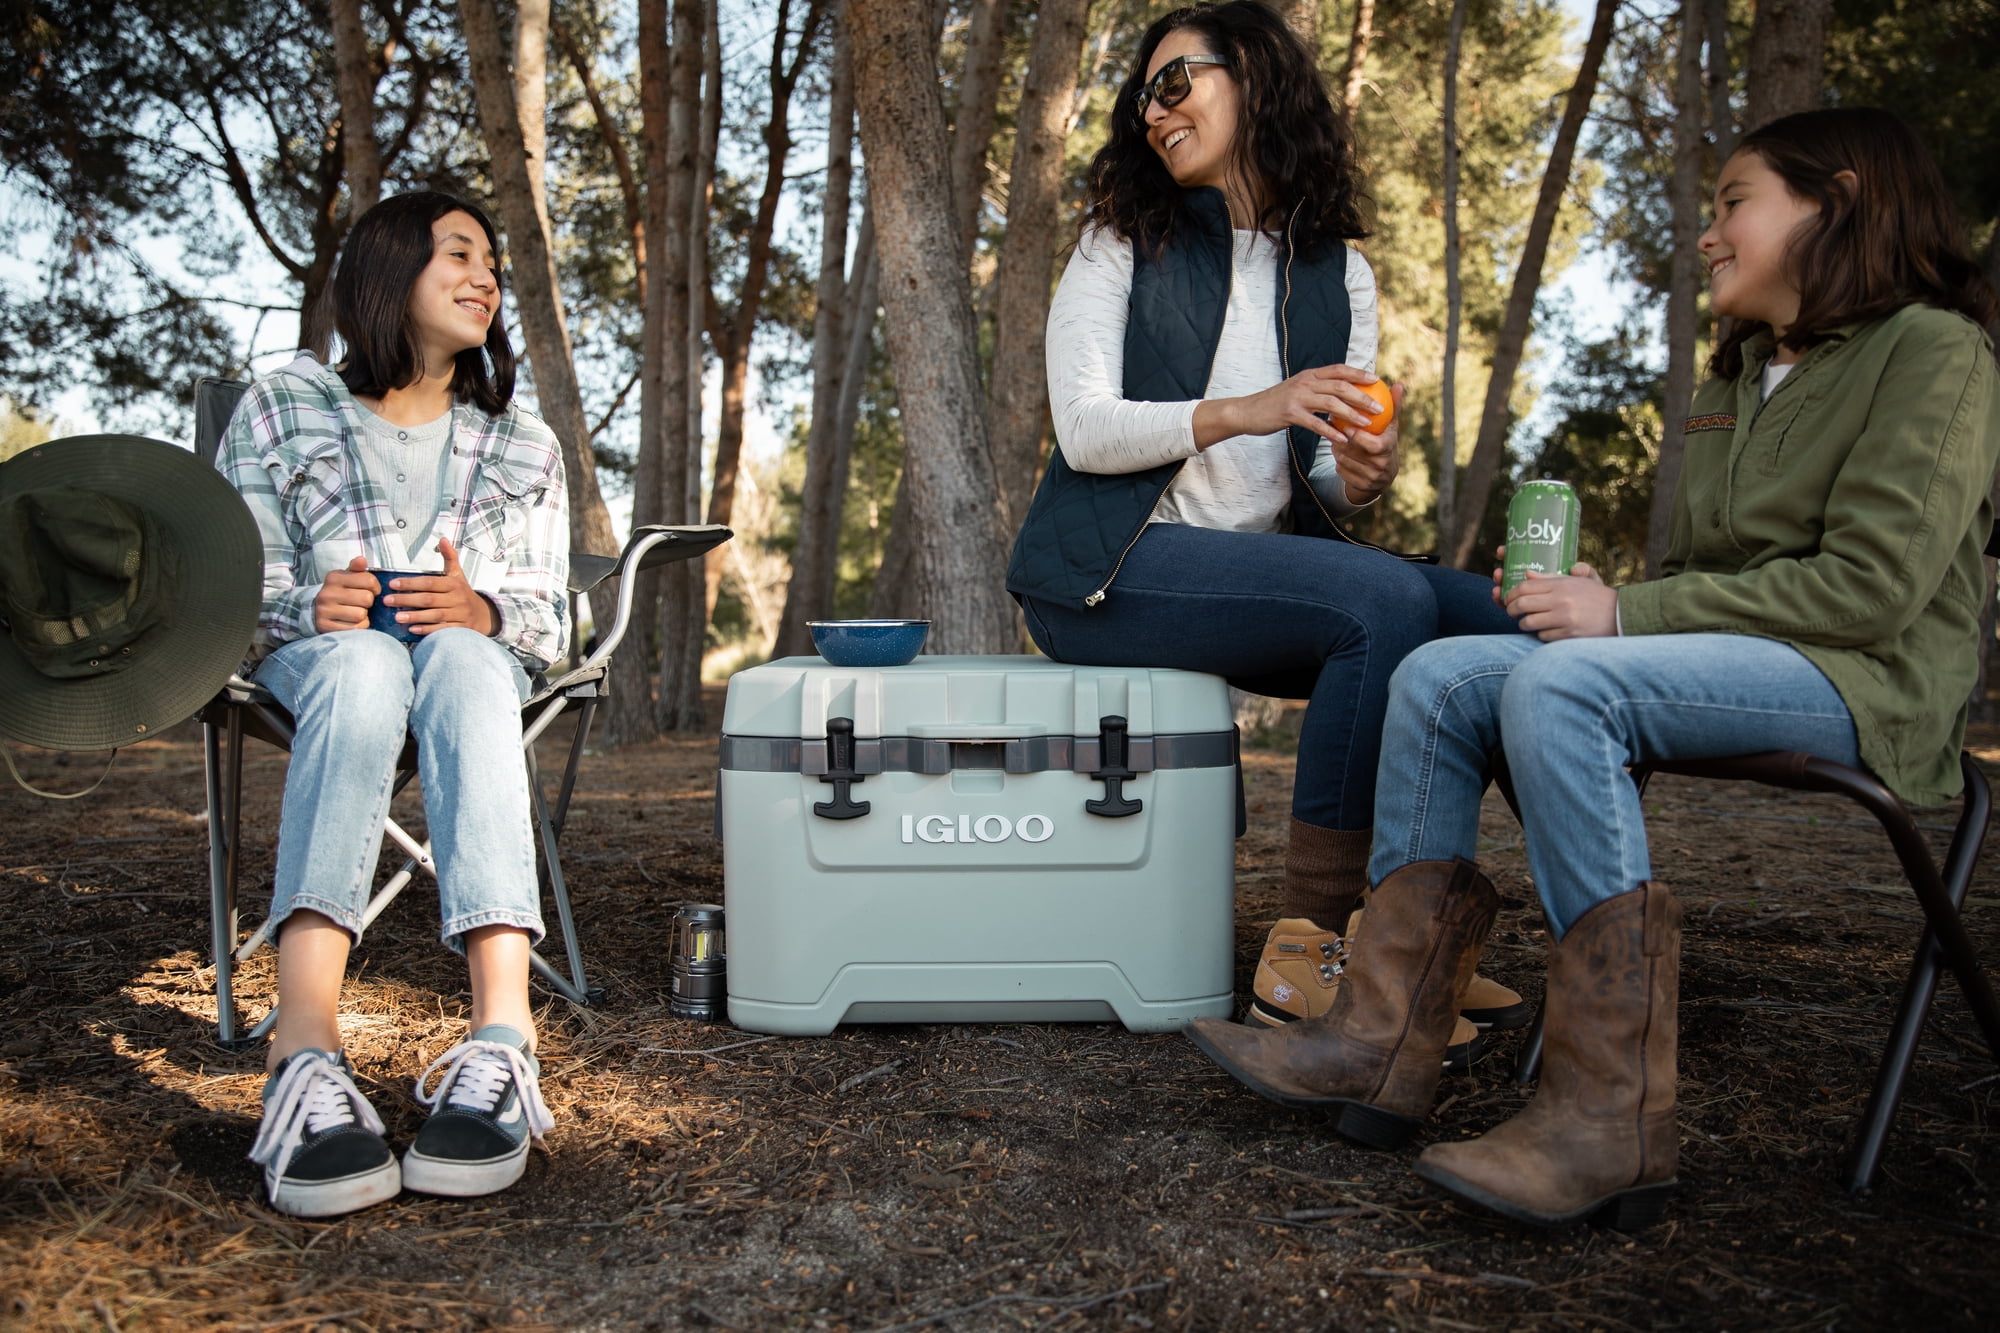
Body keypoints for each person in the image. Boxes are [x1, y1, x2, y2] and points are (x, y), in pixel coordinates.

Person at [1189, 107, 2000, 1228]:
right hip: (1736, 658)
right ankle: (1378, 1039)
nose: (1707, 234)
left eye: (1734, 203)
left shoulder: (1934, 350)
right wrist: (1606, 606)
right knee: (1439, 674)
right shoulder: (1743, 371)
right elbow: (1711, 576)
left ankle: (1607, 1115)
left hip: (1868, 681)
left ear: (1840, 201)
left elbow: (1871, 587)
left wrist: (1623, 616)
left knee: (1559, 682)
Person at [1005, 0, 1525, 1053]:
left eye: (1173, 82)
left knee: (1503, 617)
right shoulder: (1121, 242)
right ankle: (1309, 950)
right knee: (1384, 599)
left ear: (1253, 75)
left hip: (1258, 571)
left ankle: (1407, 926)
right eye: (1141, 97)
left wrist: (1361, 474)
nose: (1154, 112)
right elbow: (1087, 431)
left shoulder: (1338, 272)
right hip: (1106, 572)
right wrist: (1256, 407)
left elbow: (1324, 473)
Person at [216, 191, 570, 1218]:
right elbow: (229, 587)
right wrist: (307, 603)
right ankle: (303, 1051)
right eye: (458, 252)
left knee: (462, 658)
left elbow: (548, 618)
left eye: (492, 262)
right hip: (323, 664)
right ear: (386, 268)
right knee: (367, 662)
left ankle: (502, 1037)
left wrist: (481, 608)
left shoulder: (523, 441)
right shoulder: (283, 404)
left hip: (469, 671)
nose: (485, 276)